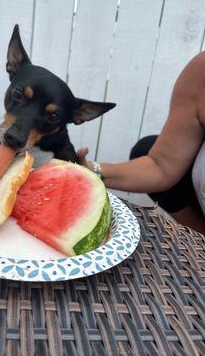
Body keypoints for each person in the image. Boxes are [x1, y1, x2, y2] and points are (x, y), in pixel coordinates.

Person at [77, 51, 205, 235]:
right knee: (145, 148)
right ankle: (199, 237)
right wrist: (92, 171)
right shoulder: (200, 72)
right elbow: (160, 166)